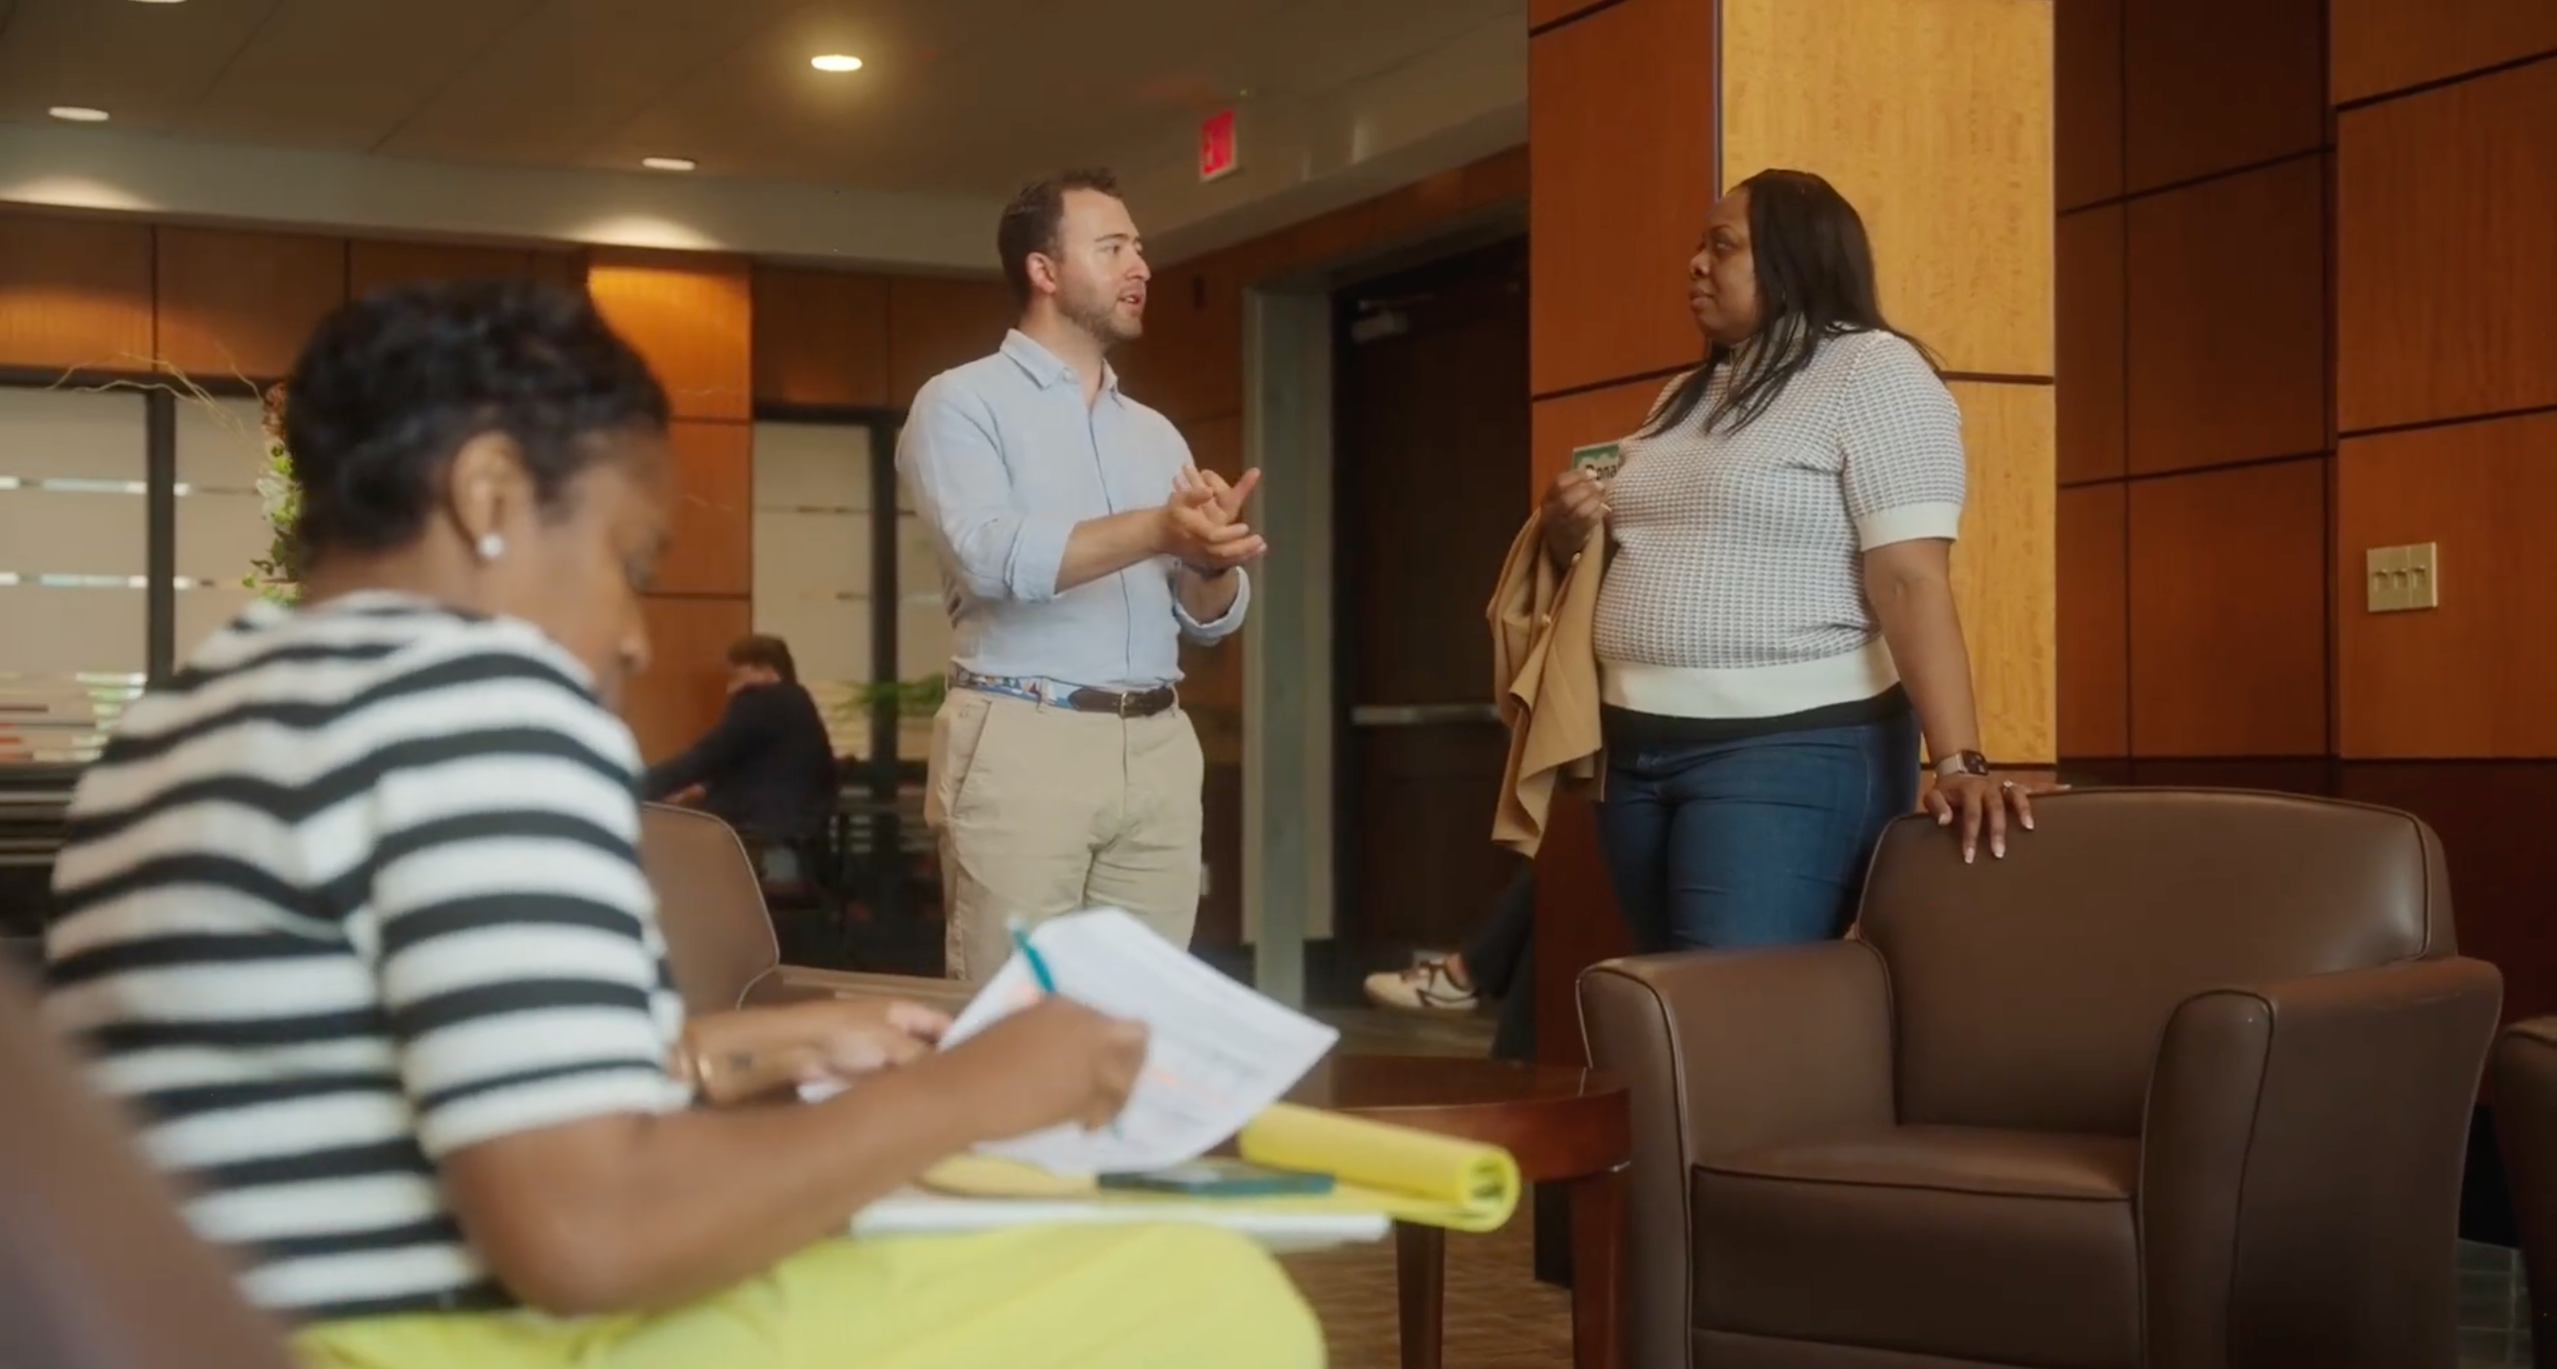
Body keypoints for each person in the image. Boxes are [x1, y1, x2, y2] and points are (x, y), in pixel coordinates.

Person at [39, 279, 1320, 1369]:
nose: (637, 628)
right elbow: (588, 1232)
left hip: (257, 1321)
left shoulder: (190, 720)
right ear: (490, 492)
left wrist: (716, 1052)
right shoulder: (470, 698)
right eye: (627, 559)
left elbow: (356, 1076)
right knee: (1197, 1286)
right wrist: (974, 1088)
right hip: (428, 1334)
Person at [1537, 169, 2050, 956]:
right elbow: (1629, 551)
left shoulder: (1872, 371)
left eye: (1722, 245)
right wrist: (1566, 528)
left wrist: (1959, 759)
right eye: (1698, 245)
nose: (1695, 264)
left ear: (1793, 259)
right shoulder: (1685, 393)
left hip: (1787, 749)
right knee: (1670, 1010)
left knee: (1733, 1016)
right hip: (1631, 751)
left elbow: (1908, 576)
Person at [899, 168, 1264, 982]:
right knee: (1012, 1023)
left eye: (1139, 247)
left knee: (1139, 1022)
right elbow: (992, 558)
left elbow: (1206, 618)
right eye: (1112, 247)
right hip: (1024, 735)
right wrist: (1157, 527)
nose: (1140, 266)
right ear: (1044, 270)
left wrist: (1207, 560)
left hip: (1159, 744)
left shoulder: (1156, 432)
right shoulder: (960, 403)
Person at [638, 633, 839, 870]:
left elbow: (707, 755)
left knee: (663, 839)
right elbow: (759, 764)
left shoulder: (762, 700)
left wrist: (639, 787)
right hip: (792, 825)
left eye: (737, 675)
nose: (731, 687)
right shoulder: (796, 700)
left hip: (759, 828)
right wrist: (703, 788)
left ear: (766, 670)